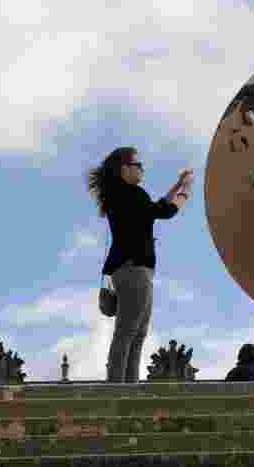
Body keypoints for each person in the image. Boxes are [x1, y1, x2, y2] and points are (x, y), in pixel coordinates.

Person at [88, 147, 193, 383]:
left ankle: (129, 386)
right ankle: (120, 388)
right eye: (138, 165)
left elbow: (153, 209)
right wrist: (185, 193)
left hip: (131, 270)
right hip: (134, 270)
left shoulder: (123, 195)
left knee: (136, 334)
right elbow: (164, 211)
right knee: (128, 334)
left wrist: (177, 186)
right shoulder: (131, 194)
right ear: (125, 168)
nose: (142, 169)